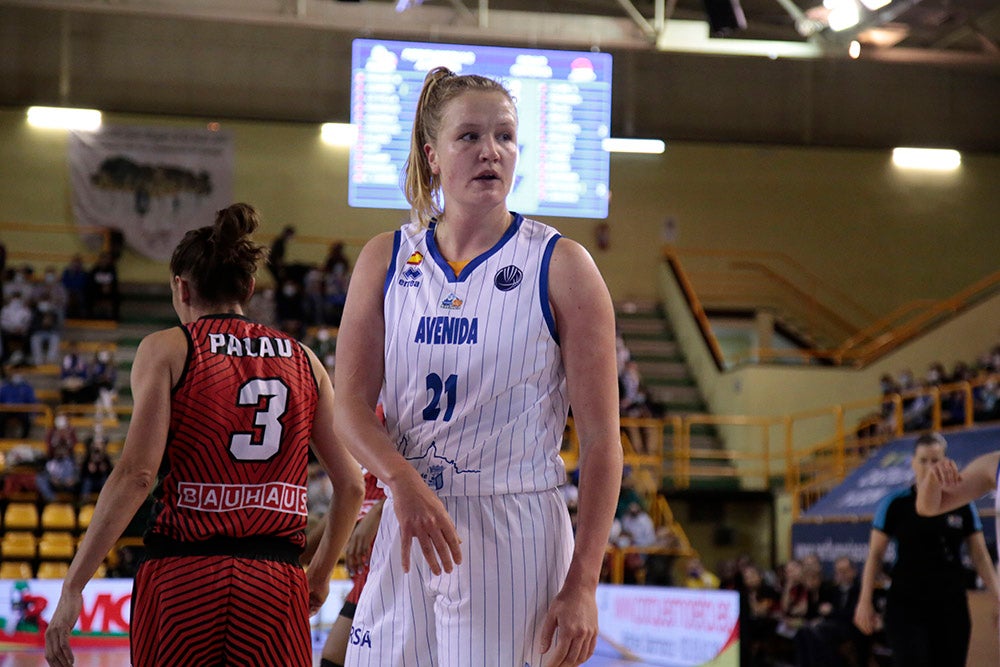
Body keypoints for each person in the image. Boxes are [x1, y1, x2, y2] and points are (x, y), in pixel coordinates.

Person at [333, 66, 623, 667]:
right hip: (408, 520)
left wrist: (584, 583)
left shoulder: (563, 265)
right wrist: (400, 482)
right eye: (469, 136)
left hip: (513, 528)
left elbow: (601, 442)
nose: (491, 151)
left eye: (505, 136)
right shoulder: (385, 258)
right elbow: (349, 407)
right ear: (432, 155)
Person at [44, 203, 365, 667]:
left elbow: (137, 476)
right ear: (248, 288)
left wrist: (75, 584)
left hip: (182, 577)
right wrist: (318, 574)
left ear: (182, 287)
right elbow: (351, 485)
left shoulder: (168, 348)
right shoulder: (305, 359)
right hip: (273, 582)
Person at [853, 432, 999, 667]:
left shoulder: (963, 504)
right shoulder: (895, 504)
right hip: (907, 603)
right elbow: (875, 555)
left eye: (935, 460)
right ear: (913, 463)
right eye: (923, 460)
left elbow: (979, 555)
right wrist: (865, 600)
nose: (930, 467)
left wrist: (997, 595)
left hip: (950, 603)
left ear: (946, 461)